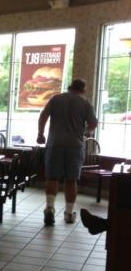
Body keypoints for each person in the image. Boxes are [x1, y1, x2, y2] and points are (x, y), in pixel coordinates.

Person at [37, 78, 97, 225]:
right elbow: (93, 123)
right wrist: (85, 132)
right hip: (75, 146)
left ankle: (50, 208)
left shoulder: (56, 99)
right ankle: (69, 213)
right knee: (71, 180)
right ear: (83, 90)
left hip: (55, 143)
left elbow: (43, 116)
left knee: (52, 178)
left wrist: (40, 134)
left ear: (70, 87)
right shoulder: (85, 103)